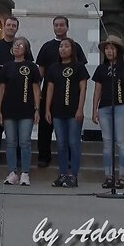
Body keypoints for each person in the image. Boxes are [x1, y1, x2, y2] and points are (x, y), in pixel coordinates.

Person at [36, 15, 86, 168]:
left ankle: (70, 160)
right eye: (56, 25)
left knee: (70, 133)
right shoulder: (47, 46)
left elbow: (81, 73)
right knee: (45, 127)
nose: (59, 27)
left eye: (62, 25)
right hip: (49, 93)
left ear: (67, 27)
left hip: (70, 94)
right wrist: (38, 92)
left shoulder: (75, 46)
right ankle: (44, 157)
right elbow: (41, 71)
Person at [91, 35, 124, 190]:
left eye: (112, 48)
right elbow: (97, 90)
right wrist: (94, 110)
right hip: (104, 108)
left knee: (122, 143)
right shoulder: (101, 68)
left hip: (121, 106)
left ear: (118, 50)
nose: (109, 51)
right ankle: (109, 175)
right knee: (107, 143)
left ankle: (122, 175)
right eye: (107, 48)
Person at [0, 16, 33, 166]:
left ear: (17, 28)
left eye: (14, 25)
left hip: (19, 90)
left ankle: (19, 156)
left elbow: (28, 64)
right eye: (8, 25)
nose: (11, 27)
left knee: (18, 127)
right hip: (0, 87)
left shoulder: (21, 45)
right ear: (4, 27)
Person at [44, 38, 89, 188]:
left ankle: (73, 175)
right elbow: (50, 89)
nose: (63, 49)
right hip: (57, 111)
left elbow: (83, 89)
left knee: (73, 143)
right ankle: (62, 174)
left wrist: (80, 108)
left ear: (72, 49)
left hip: (73, 111)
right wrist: (47, 109)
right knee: (61, 143)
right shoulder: (53, 68)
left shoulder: (79, 67)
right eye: (61, 46)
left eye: (66, 46)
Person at [0, 36, 40, 186]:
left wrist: (37, 109)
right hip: (9, 109)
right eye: (15, 45)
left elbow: (36, 88)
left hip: (26, 110)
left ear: (26, 49)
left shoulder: (31, 67)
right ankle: (12, 172)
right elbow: (1, 89)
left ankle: (25, 173)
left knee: (25, 141)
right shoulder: (7, 67)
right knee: (10, 142)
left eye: (21, 45)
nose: (17, 47)